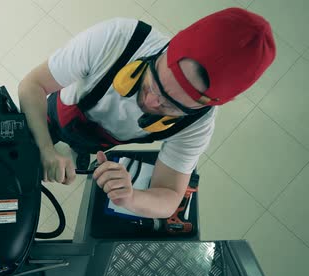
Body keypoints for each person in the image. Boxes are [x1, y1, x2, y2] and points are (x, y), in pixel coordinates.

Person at [18, 8, 275, 218]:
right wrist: (45, 149)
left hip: (97, 144)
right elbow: (33, 85)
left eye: (171, 105)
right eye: (155, 82)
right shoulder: (119, 39)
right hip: (53, 114)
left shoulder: (198, 124)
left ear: (202, 107)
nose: (152, 101)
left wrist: (131, 197)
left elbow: (170, 198)